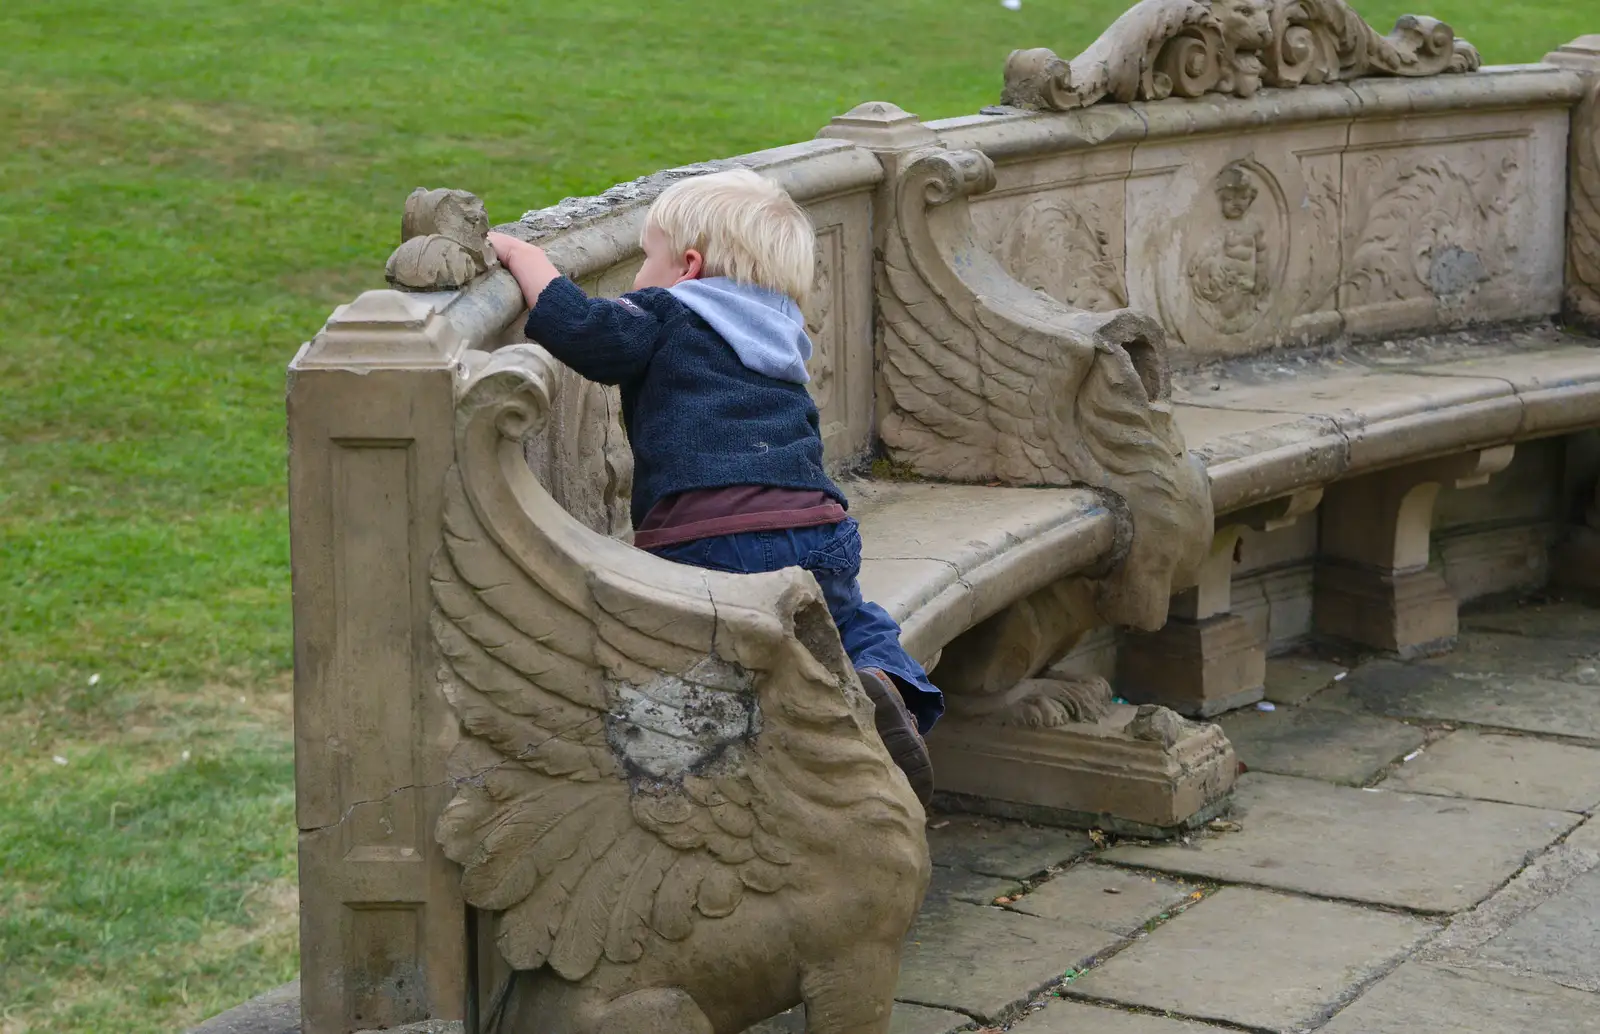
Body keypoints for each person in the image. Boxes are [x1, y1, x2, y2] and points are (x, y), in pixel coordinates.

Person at [486, 169, 941, 803]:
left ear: (688, 266)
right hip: (817, 528)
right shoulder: (780, 327)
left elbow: (587, 333)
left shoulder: (669, 312)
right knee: (854, 619)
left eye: (647, 258)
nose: (639, 274)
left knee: (689, 648)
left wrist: (522, 255)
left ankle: (689, 782)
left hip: (708, 536)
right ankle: (887, 689)